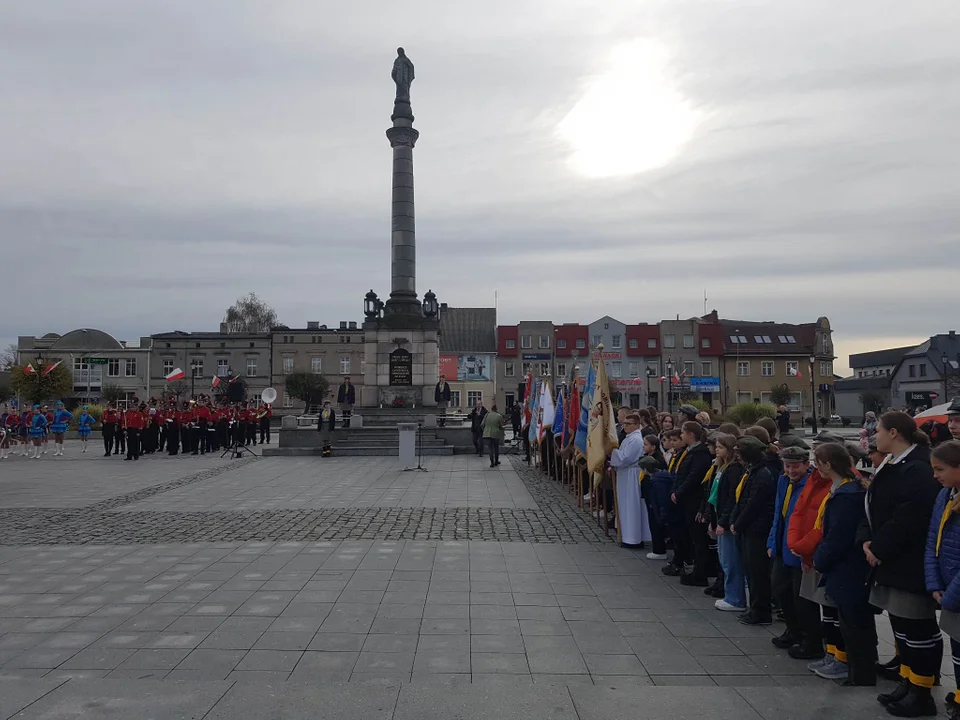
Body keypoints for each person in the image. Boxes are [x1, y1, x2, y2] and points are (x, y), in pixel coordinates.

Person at [860, 411, 942, 717]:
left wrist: (879, 546)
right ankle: (908, 681)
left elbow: (911, 516)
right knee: (902, 626)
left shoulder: (917, 467)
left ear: (894, 433)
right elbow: (876, 507)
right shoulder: (897, 464)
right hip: (890, 558)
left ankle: (922, 693)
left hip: (908, 560)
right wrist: (869, 541)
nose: (874, 435)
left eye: (878, 430)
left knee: (917, 627)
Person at [812, 442, 877, 686]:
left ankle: (860, 672)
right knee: (850, 619)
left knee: (854, 621)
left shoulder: (847, 495)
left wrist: (821, 559)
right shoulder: (848, 489)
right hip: (847, 567)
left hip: (848, 567)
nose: (816, 468)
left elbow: (838, 535)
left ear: (829, 465)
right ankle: (857, 667)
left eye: (818, 463)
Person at [925, 441, 960, 720]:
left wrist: (949, 596)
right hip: (947, 587)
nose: (935, 475)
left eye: (941, 469)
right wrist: (933, 581)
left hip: (955, 591)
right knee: (957, 648)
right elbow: (932, 540)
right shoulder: (944, 495)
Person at [767, 445, 811, 649]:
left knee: (799, 596)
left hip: (799, 548)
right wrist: (771, 541)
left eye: (795, 466)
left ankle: (805, 634)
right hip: (781, 544)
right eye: (787, 466)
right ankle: (792, 630)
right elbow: (778, 512)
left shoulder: (809, 484)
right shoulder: (783, 481)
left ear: (806, 465)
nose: (791, 471)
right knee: (779, 588)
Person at [730, 435, 776, 625]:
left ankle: (760, 611)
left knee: (757, 573)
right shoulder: (752, 471)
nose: (737, 456)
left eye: (740, 453)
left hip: (757, 530)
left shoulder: (762, 475)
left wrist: (738, 523)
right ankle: (755, 608)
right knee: (751, 570)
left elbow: (753, 505)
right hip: (750, 529)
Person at [670, 421, 715, 586]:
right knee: (693, 536)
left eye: (682, 433)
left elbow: (694, 477)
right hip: (687, 500)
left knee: (699, 538)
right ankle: (698, 569)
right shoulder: (691, 452)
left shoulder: (700, 454)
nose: (681, 436)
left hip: (694, 500)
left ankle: (700, 573)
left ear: (690, 434)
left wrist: (680, 492)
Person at [713, 434, 747, 611]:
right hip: (721, 517)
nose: (717, 450)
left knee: (730, 561)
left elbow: (731, 499)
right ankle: (731, 595)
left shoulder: (733, 470)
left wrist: (723, 521)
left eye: (720, 447)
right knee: (725, 559)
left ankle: (735, 598)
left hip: (726, 521)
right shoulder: (723, 467)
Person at [610, 413, 652, 548]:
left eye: (628, 424)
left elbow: (625, 458)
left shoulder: (636, 440)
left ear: (636, 425)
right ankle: (628, 536)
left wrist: (611, 452)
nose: (625, 426)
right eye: (624, 424)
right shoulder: (629, 438)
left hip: (632, 475)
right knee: (626, 506)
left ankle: (633, 538)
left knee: (632, 506)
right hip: (625, 475)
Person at [482, 403, 505, 468]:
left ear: (491, 409)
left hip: (487, 434)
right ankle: (496, 461)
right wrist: (503, 428)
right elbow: (501, 426)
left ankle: (491, 462)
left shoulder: (487, 415)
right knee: (496, 448)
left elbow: (482, 424)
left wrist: (485, 430)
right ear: (496, 409)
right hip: (496, 434)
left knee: (490, 449)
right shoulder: (499, 416)